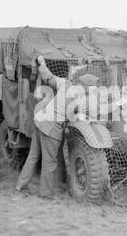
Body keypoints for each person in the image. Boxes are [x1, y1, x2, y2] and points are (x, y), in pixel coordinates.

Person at [15, 55, 100, 199]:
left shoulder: (66, 83)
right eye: (93, 88)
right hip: (51, 128)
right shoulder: (81, 99)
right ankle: (46, 194)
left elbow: (48, 76)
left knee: (33, 156)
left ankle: (20, 186)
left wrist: (41, 62)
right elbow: (81, 116)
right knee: (50, 162)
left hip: (40, 120)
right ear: (87, 88)